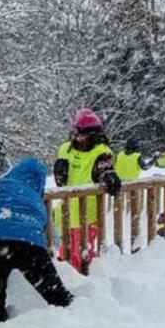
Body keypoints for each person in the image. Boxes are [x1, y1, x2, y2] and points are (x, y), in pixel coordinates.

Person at [0, 158, 73, 323]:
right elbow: (42, 226)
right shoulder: (38, 201)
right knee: (54, 290)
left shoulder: (1, 184)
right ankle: (72, 312)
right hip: (32, 246)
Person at [52, 109, 121, 273]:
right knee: (64, 255)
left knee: (79, 255)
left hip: (87, 215)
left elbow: (104, 168)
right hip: (65, 213)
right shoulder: (66, 149)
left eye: (84, 134)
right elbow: (60, 181)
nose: (79, 137)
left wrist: (108, 175)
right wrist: (59, 171)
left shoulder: (101, 152)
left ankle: (84, 286)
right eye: (77, 133)